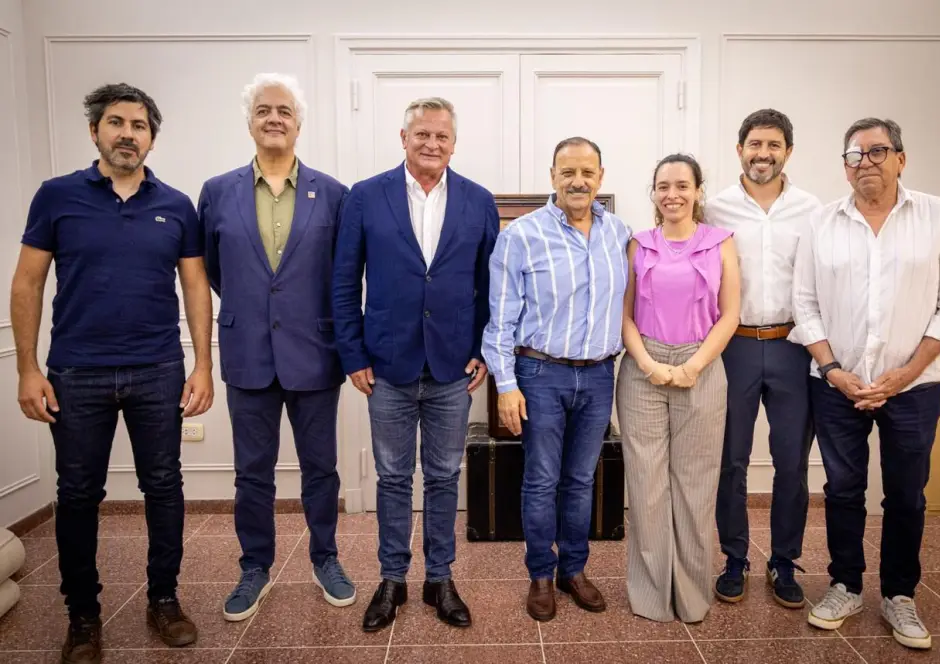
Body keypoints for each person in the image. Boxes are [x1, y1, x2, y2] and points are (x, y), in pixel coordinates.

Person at [10, 83, 213, 664]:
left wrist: (202, 364)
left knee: (164, 488)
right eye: (118, 123)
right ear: (95, 130)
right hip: (76, 372)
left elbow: (195, 286)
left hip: (157, 369)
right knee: (76, 494)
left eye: (140, 125)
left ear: (152, 137)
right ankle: (82, 615)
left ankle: (164, 599)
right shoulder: (56, 197)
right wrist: (27, 370)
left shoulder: (176, 205)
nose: (129, 133)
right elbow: (27, 284)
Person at [791, 118, 940, 650]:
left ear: (900, 159)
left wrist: (902, 375)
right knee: (843, 491)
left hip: (913, 389)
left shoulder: (937, 215)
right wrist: (833, 370)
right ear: (843, 165)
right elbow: (805, 303)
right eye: (854, 154)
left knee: (907, 496)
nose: (865, 161)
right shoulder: (821, 223)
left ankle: (899, 594)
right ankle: (845, 585)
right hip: (836, 387)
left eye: (877, 151)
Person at [333, 96, 498, 632]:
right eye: (421, 134)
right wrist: (353, 354)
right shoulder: (364, 197)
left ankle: (441, 578)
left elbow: (491, 286)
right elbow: (343, 283)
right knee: (392, 477)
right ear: (403, 139)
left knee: (447, 475)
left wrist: (484, 349)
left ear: (454, 143)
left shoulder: (477, 200)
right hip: (385, 365)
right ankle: (392, 579)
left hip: (453, 366)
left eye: (441, 136)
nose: (431, 144)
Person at [197, 73, 354, 622]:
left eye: (284, 110)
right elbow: (215, 271)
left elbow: (343, 274)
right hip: (248, 355)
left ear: (298, 122)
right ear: (249, 121)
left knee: (321, 468)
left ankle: (326, 558)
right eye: (263, 110)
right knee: (252, 472)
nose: (274, 118)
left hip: (314, 352)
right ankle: (254, 567)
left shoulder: (333, 193)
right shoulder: (217, 192)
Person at [483, 137, 632, 622]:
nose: (578, 181)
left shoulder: (620, 234)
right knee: (541, 480)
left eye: (587, 172)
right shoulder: (522, 235)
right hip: (539, 373)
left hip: (597, 376)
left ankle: (574, 569)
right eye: (568, 172)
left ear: (601, 177)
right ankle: (541, 576)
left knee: (581, 479)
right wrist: (506, 385)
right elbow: (500, 319)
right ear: (552, 177)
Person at [615, 153, 740, 623]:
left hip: (702, 366)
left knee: (694, 485)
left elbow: (730, 314)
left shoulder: (721, 242)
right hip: (643, 369)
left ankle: (690, 594)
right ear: (653, 193)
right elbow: (624, 314)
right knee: (647, 485)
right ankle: (650, 595)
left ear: (698, 191)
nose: (673, 194)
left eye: (682, 185)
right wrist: (647, 363)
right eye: (663, 186)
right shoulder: (638, 244)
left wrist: (694, 366)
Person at [706, 109, 822, 608]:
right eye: (754, 144)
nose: (763, 154)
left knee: (792, 462)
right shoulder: (714, 209)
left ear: (788, 152)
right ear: (739, 149)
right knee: (729, 461)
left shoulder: (813, 209)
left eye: (774, 145)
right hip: (732, 347)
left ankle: (784, 561)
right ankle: (734, 558)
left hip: (793, 348)